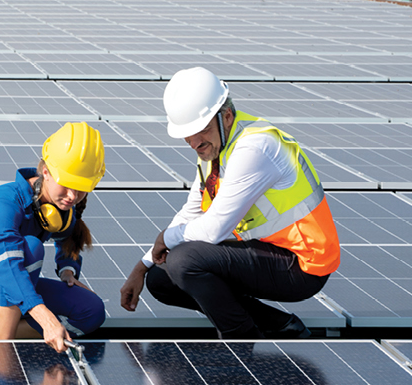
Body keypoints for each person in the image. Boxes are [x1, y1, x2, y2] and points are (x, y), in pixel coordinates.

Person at [117, 67, 341, 339]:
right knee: (161, 279)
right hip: (265, 253)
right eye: (187, 135)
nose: (194, 142)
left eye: (201, 131)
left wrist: (165, 237)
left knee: (184, 261)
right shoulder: (214, 147)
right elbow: (193, 210)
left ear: (226, 116)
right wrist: (143, 266)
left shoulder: (255, 148)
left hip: (302, 263)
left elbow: (213, 230)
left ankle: (240, 339)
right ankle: (278, 323)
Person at [0, 122, 107, 352]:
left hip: (9, 288)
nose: (72, 196)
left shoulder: (60, 207)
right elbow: (6, 264)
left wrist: (67, 271)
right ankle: (2, 354)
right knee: (30, 247)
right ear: (45, 172)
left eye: (81, 188)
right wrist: (44, 316)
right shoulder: (4, 203)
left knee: (91, 311)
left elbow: (67, 238)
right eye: (67, 185)